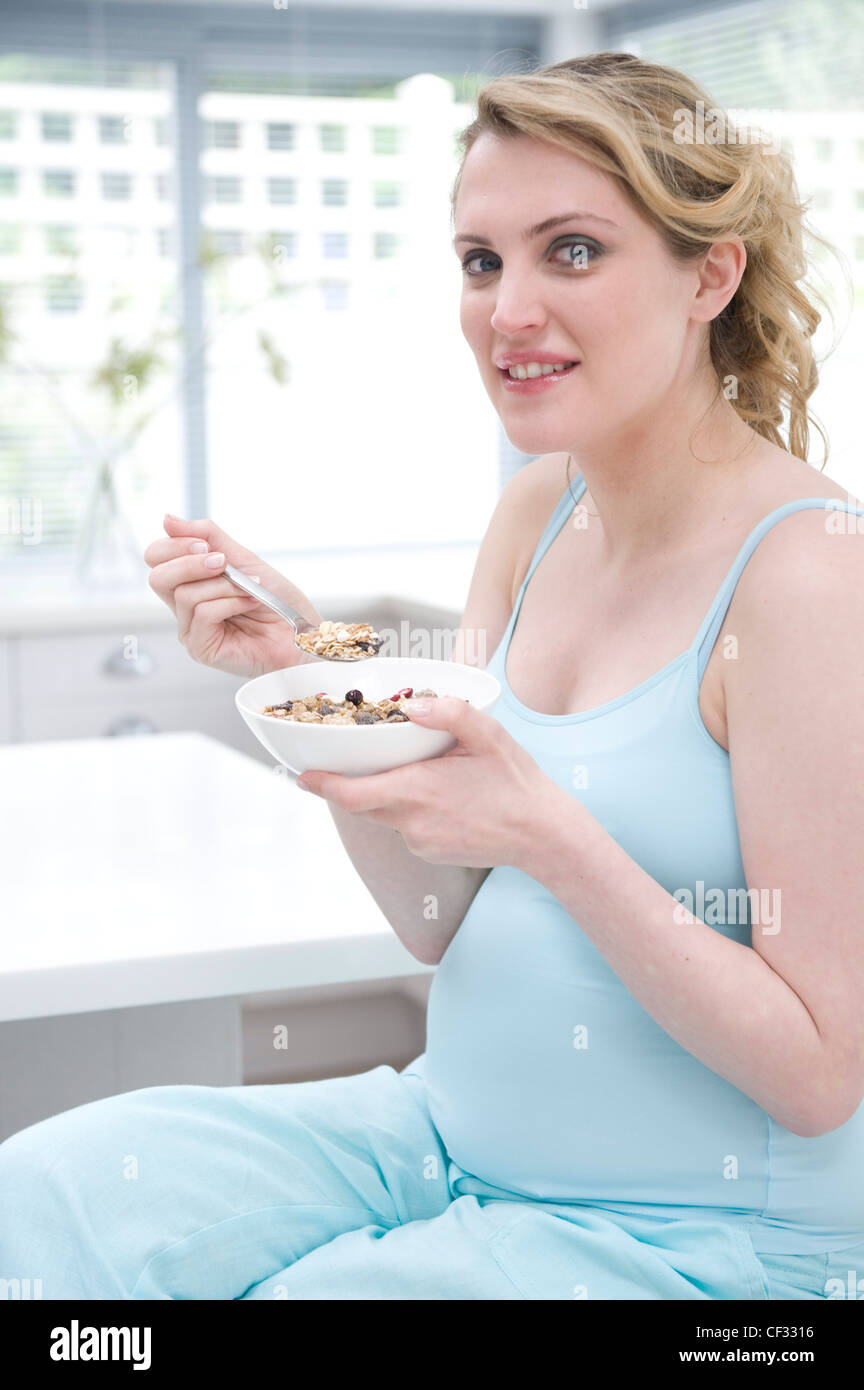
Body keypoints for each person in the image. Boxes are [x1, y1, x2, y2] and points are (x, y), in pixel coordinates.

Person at [2, 51, 863, 1301]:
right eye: (482, 259)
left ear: (709, 276)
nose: (509, 309)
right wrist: (310, 686)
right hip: (444, 1139)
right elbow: (438, 916)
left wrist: (558, 838)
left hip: (701, 1242)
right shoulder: (533, 518)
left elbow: (824, 1071)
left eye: (571, 250)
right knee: (42, 1203)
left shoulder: (809, 580)